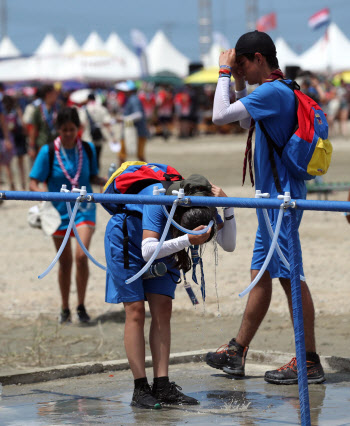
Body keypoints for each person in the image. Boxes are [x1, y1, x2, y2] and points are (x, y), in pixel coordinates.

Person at [205, 30, 325, 385]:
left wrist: (224, 74)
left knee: (290, 276)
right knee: (260, 275)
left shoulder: (273, 91)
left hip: (281, 201)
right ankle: (237, 351)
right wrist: (238, 79)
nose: (239, 71)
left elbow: (219, 116)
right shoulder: (280, 89)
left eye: (242, 64)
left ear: (258, 58)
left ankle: (309, 361)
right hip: (273, 200)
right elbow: (244, 119)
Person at [104, 170, 236, 409]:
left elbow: (228, 245)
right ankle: (140, 388)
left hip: (167, 244)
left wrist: (227, 206)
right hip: (129, 241)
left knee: (163, 308)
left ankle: (162, 386)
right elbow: (148, 250)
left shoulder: (205, 207)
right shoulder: (159, 201)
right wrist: (187, 240)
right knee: (134, 310)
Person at [29, 107, 107, 324]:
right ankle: (65, 307)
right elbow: (33, 182)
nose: (69, 134)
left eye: (72, 129)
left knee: (82, 257)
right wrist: (42, 198)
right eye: (64, 130)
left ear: (79, 129)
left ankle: (81, 305)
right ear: (58, 130)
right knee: (65, 262)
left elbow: (92, 176)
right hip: (57, 213)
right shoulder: (48, 152)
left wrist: (111, 181)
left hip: (84, 210)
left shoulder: (88, 149)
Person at [115, 80, 148, 165]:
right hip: (135, 131)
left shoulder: (133, 100)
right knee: (138, 155)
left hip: (135, 132)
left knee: (125, 155)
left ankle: (120, 175)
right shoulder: (131, 99)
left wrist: (123, 118)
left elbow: (138, 115)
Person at [79, 93, 113, 169]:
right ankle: (96, 175)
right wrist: (112, 136)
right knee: (97, 158)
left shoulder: (84, 109)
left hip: (87, 138)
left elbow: (82, 123)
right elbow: (107, 123)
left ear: (87, 99)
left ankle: (90, 176)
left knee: (88, 158)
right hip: (99, 137)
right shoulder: (102, 108)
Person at [2, 95, 27, 190]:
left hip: (9, 137)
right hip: (18, 137)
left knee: (9, 164)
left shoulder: (4, 112)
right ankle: (23, 183)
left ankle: (12, 184)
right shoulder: (16, 109)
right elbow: (23, 122)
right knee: (20, 163)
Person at [28, 84, 58, 161]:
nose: (56, 95)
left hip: (57, 145)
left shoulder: (59, 107)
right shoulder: (38, 110)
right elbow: (34, 129)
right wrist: (31, 147)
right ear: (48, 94)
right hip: (43, 145)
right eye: (55, 93)